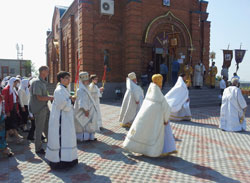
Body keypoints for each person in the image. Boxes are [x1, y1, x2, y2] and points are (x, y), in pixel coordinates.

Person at [123, 74, 177, 157]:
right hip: (158, 121)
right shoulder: (159, 96)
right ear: (160, 83)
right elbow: (166, 108)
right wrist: (166, 120)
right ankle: (160, 151)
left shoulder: (151, 91)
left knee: (145, 133)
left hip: (149, 119)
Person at [46, 71, 78, 170]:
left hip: (65, 119)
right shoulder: (59, 90)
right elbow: (62, 105)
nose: (69, 80)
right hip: (61, 121)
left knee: (68, 138)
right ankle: (60, 160)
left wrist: (70, 99)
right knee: (61, 139)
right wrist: (71, 100)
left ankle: (69, 159)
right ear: (61, 79)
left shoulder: (64, 89)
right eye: (66, 78)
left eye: (69, 78)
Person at [29, 66, 53, 154]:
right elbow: (39, 97)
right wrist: (51, 98)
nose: (48, 72)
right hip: (39, 109)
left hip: (44, 108)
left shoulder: (43, 82)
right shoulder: (37, 82)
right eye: (47, 71)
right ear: (42, 71)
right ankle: (38, 148)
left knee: (47, 127)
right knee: (39, 129)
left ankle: (50, 145)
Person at [74, 72, 99, 142]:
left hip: (89, 110)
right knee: (84, 125)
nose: (88, 82)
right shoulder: (81, 90)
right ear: (83, 81)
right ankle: (84, 138)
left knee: (89, 124)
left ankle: (90, 137)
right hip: (84, 111)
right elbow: (82, 101)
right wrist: (86, 110)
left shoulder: (86, 88)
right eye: (87, 80)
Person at [1, 77, 23, 144]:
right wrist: (7, 111)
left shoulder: (13, 89)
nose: (16, 83)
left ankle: (7, 138)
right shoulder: (6, 90)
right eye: (15, 82)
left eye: (16, 82)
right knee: (11, 123)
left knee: (10, 123)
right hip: (9, 109)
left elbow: (15, 100)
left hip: (13, 108)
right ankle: (17, 136)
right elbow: (5, 102)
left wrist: (17, 109)